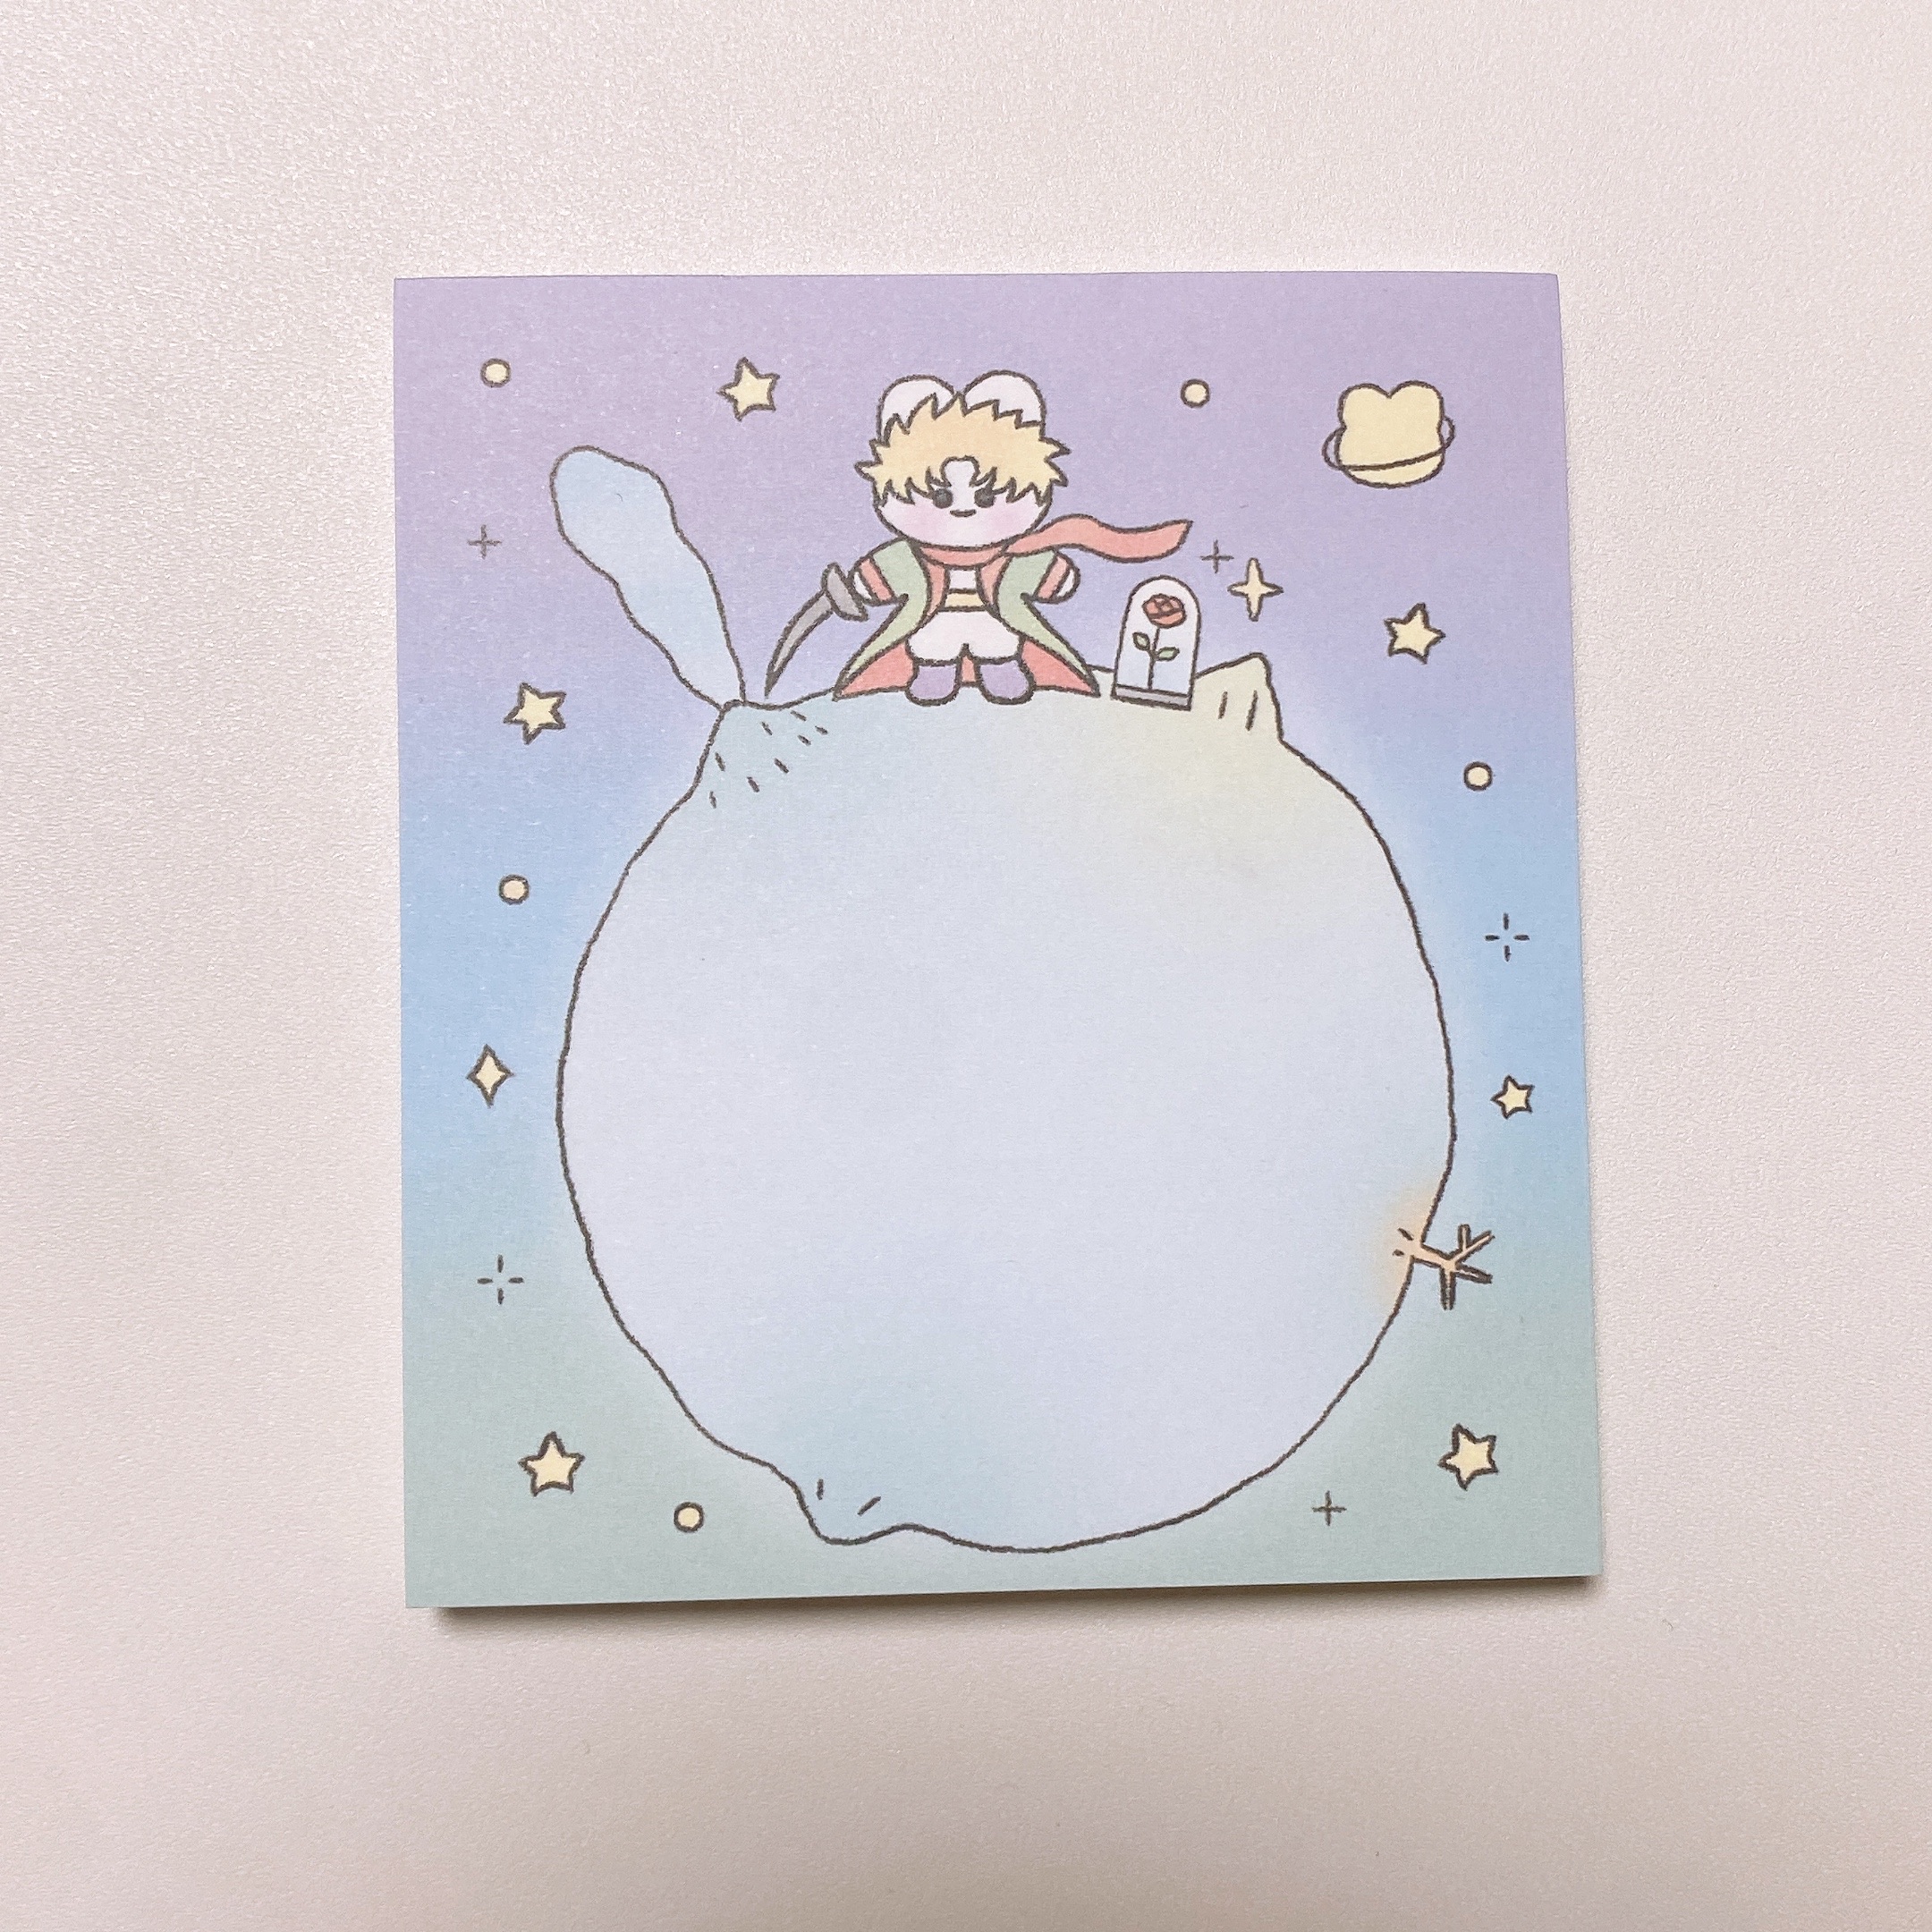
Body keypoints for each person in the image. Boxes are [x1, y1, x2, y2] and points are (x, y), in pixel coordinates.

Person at [826, 373, 1190, 706]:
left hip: (993, 626)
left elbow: (1055, 583)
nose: (963, 509)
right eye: (940, 496)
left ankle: (1000, 670)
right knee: (932, 643)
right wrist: (855, 590)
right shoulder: (907, 558)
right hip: (934, 627)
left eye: (987, 497)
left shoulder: (1017, 554)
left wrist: (1058, 577)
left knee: (998, 640)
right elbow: (875, 581)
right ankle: (934, 674)